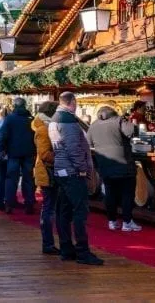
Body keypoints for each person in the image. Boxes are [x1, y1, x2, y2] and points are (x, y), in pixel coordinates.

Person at [49, 92, 103, 266]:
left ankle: (66, 248)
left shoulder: (55, 119)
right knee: (80, 211)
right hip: (72, 172)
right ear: (72, 102)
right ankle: (82, 251)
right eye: (76, 102)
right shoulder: (68, 122)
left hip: (61, 170)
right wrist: (82, 169)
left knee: (64, 211)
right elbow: (74, 148)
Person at [89, 106, 141, 232]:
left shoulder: (94, 125)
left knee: (110, 194)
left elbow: (89, 142)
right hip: (123, 164)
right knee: (127, 194)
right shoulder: (118, 120)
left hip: (105, 165)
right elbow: (131, 132)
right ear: (113, 113)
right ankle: (127, 222)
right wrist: (126, 120)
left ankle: (112, 221)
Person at [32, 101, 61, 255]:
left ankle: (49, 243)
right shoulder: (44, 129)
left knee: (50, 207)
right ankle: (48, 243)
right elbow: (44, 154)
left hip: (49, 171)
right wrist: (62, 156)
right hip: (47, 172)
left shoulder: (47, 127)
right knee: (49, 208)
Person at [0, 97, 37, 214]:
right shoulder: (31, 119)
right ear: (25, 105)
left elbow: (3, 134)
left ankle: (9, 203)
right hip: (29, 152)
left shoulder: (10, 118)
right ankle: (29, 203)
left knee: (11, 178)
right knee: (28, 178)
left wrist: (3, 149)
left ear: (14, 106)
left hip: (13, 153)